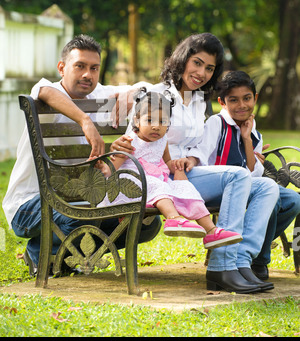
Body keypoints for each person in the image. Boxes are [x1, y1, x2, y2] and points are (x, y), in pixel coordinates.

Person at [118, 33, 279, 293]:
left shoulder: (197, 100)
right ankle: (221, 267)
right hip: (160, 177)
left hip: (186, 175)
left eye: (209, 68)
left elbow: (196, 145)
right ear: (183, 59)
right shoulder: (156, 94)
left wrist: (191, 158)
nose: (201, 72)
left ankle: (240, 262)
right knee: (237, 176)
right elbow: (136, 136)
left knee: (266, 187)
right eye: (197, 62)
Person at [3, 34, 161, 275]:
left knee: (146, 223)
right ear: (62, 68)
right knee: (85, 214)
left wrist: (135, 91)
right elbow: (41, 89)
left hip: (80, 199)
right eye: (80, 66)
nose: (88, 74)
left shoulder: (100, 95)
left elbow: (150, 88)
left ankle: (53, 251)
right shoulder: (51, 93)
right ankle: (43, 252)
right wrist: (85, 120)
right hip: (29, 205)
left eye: (94, 68)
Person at [198, 70, 300, 280]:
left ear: (255, 98)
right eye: (233, 100)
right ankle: (259, 260)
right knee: (271, 196)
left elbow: (254, 174)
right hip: (218, 188)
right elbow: (203, 161)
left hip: (247, 187)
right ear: (222, 102)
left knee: (293, 200)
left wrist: (246, 140)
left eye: (247, 98)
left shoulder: (254, 133)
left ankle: (247, 248)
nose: (242, 105)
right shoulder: (217, 124)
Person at [110, 88, 242, 248]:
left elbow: (167, 164)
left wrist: (177, 165)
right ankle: (173, 219)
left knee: (185, 187)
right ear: (137, 121)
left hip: (156, 183)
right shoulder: (130, 141)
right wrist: (104, 168)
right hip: (131, 183)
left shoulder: (162, 140)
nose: (156, 127)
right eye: (150, 120)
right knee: (158, 184)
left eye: (163, 122)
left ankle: (211, 231)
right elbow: (112, 169)